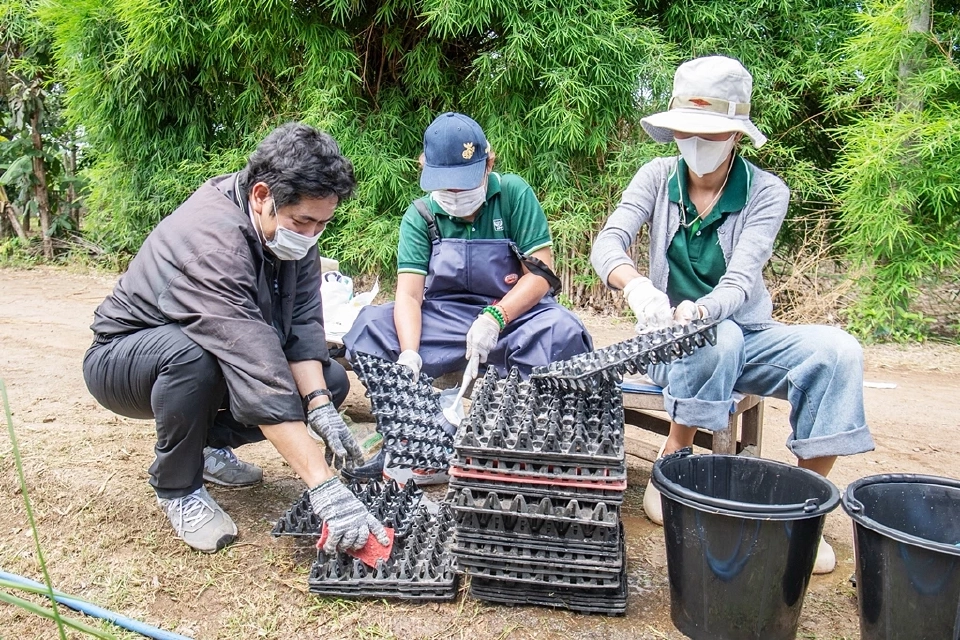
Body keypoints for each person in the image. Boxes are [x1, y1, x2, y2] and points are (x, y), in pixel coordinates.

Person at [590, 56, 875, 574]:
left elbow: (742, 279)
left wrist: (703, 307)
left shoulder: (766, 192)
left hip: (748, 333)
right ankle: (673, 463)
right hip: (670, 343)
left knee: (837, 353)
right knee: (715, 339)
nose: (697, 144)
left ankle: (804, 503)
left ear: (736, 133)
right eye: (687, 132)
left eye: (712, 133)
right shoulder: (656, 177)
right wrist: (638, 290)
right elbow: (609, 241)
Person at [83, 123, 388, 555]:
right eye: (304, 221)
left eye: (322, 223)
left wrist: (321, 407)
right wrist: (326, 488)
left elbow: (302, 323)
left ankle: (208, 449)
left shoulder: (294, 235)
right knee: (193, 357)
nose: (312, 234)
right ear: (262, 195)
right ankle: (177, 487)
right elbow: (254, 365)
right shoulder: (213, 242)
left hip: (212, 347)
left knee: (330, 379)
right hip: (125, 358)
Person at [343, 112, 593, 478]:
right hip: (446, 319)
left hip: (515, 316)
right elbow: (410, 297)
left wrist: (496, 317)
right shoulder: (421, 215)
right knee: (370, 327)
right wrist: (410, 353)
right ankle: (420, 439)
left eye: (464, 183)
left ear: (488, 162)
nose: (457, 195)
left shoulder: (513, 195)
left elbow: (540, 277)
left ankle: (516, 444)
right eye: (447, 185)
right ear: (424, 169)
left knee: (563, 330)